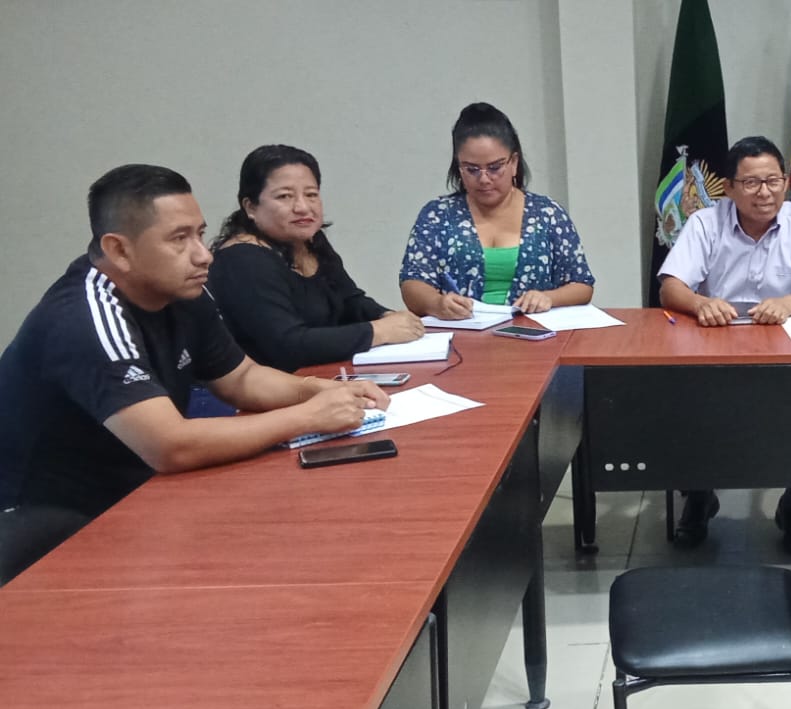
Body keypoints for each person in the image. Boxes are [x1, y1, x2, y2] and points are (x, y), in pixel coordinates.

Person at [0, 165, 388, 583]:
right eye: (179, 239)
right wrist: (308, 416)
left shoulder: (184, 290)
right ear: (119, 250)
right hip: (48, 516)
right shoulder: (86, 318)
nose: (203, 254)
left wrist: (321, 390)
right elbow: (170, 446)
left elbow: (241, 378)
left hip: (136, 489)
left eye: (200, 234)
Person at [657, 135, 791, 546]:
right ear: (729, 187)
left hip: (785, 345)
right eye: (752, 183)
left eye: (774, 181)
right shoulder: (705, 223)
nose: (765, 193)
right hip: (716, 343)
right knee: (692, 402)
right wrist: (701, 303)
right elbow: (671, 287)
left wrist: (790, 304)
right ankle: (699, 495)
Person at [208, 144, 424, 371]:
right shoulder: (242, 259)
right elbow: (287, 346)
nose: (302, 207)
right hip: (275, 385)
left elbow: (350, 300)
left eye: (311, 194)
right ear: (251, 207)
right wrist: (378, 331)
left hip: (325, 375)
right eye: (284, 196)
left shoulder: (309, 240)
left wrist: (387, 316)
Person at [400, 102, 594, 319]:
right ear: (459, 167)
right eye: (472, 169)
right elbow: (413, 283)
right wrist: (437, 304)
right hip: (462, 331)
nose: (484, 179)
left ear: (514, 163)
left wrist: (549, 297)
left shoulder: (547, 213)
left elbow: (582, 285)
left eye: (494, 168)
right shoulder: (438, 215)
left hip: (529, 330)